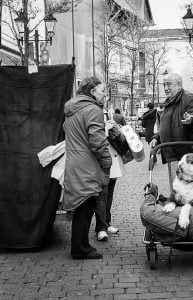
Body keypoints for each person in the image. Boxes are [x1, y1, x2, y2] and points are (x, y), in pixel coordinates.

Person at [63, 76, 112, 259]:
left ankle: (80, 246)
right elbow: (97, 141)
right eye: (102, 91)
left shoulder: (72, 109)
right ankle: (80, 249)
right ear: (92, 92)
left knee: (83, 205)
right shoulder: (92, 109)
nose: (104, 94)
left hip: (74, 162)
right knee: (87, 205)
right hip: (87, 164)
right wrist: (107, 162)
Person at [150, 72, 193, 164]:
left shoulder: (188, 97)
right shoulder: (169, 102)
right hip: (172, 153)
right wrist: (156, 138)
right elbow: (167, 126)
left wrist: (190, 118)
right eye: (164, 85)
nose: (166, 88)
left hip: (185, 154)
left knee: (186, 178)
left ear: (178, 85)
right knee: (175, 179)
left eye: (168, 84)